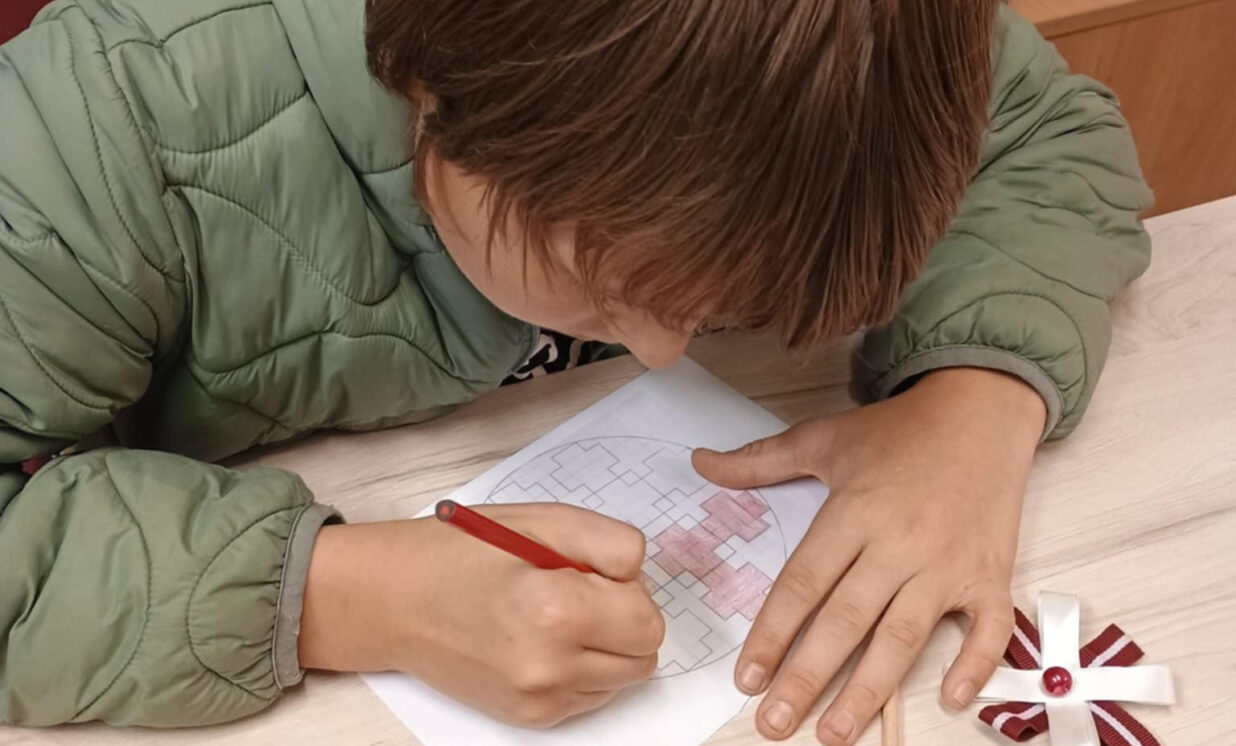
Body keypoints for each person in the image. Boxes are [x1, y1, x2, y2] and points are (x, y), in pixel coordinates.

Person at [0, 0, 1151, 743]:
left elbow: (1048, 135)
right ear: (436, 95)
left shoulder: (842, 38)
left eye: (719, 304)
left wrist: (976, 407)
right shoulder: (90, 128)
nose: (662, 348)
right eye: (597, 279)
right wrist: (339, 597)